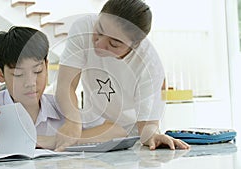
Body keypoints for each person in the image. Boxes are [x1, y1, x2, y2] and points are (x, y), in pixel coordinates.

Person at [0, 26, 126, 157]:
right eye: (18, 74)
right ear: (0, 74)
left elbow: (117, 131)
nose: (31, 83)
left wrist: (60, 140)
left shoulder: (61, 106)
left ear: (46, 66)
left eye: (37, 71)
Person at [55, 0, 190, 151]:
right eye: (99, 31)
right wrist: (73, 121)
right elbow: (66, 85)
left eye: (114, 44)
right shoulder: (82, 27)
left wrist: (152, 135)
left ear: (135, 44)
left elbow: (147, 127)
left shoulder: (149, 65)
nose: (99, 44)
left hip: (129, 137)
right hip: (93, 124)